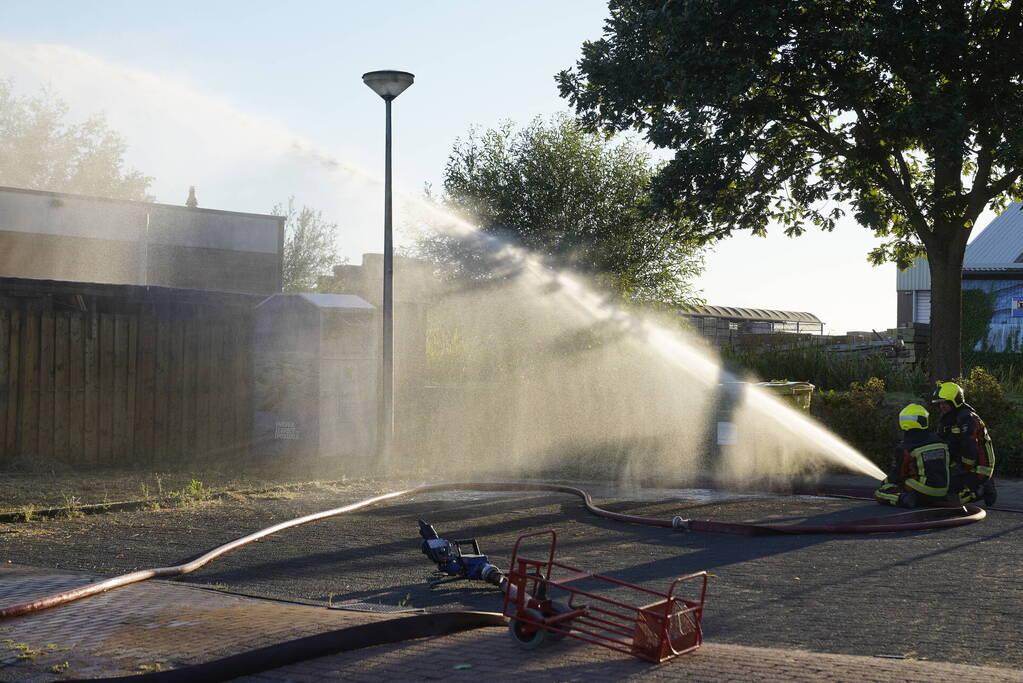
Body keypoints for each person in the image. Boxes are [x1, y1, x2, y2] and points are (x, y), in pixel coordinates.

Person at [932, 381, 997, 506]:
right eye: (940, 403)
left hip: (979, 466)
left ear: (954, 401)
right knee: (939, 488)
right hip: (961, 463)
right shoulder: (948, 418)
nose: (942, 406)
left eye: (945, 403)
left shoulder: (967, 419)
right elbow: (941, 441)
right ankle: (973, 484)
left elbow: (970, 449)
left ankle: (982, 489)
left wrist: (960, 469)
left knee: (950, 501)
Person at [875, 403, 951, 508]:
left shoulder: (905, 447)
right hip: (942, 491)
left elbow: (898, 474)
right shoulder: (940, 441)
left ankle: (902, 499)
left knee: (880, 493)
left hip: (921, 492)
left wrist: (886, 483)